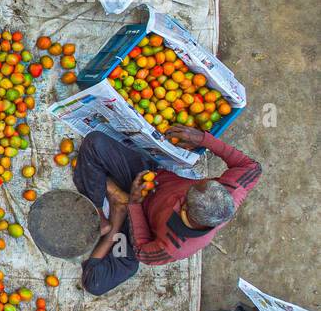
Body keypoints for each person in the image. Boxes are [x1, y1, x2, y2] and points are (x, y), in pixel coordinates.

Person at [74, 125, 262, 297]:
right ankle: (100, 209)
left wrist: (134, 204)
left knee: (95, 282)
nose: (180, 194)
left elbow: (141, 250)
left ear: (186, 210)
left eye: (184, 197)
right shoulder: (230, 191)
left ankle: (116, 217)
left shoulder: (174, 247)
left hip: (136, 228)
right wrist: (203, 139)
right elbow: (252, 167)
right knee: (95, 143)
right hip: (147, 178)